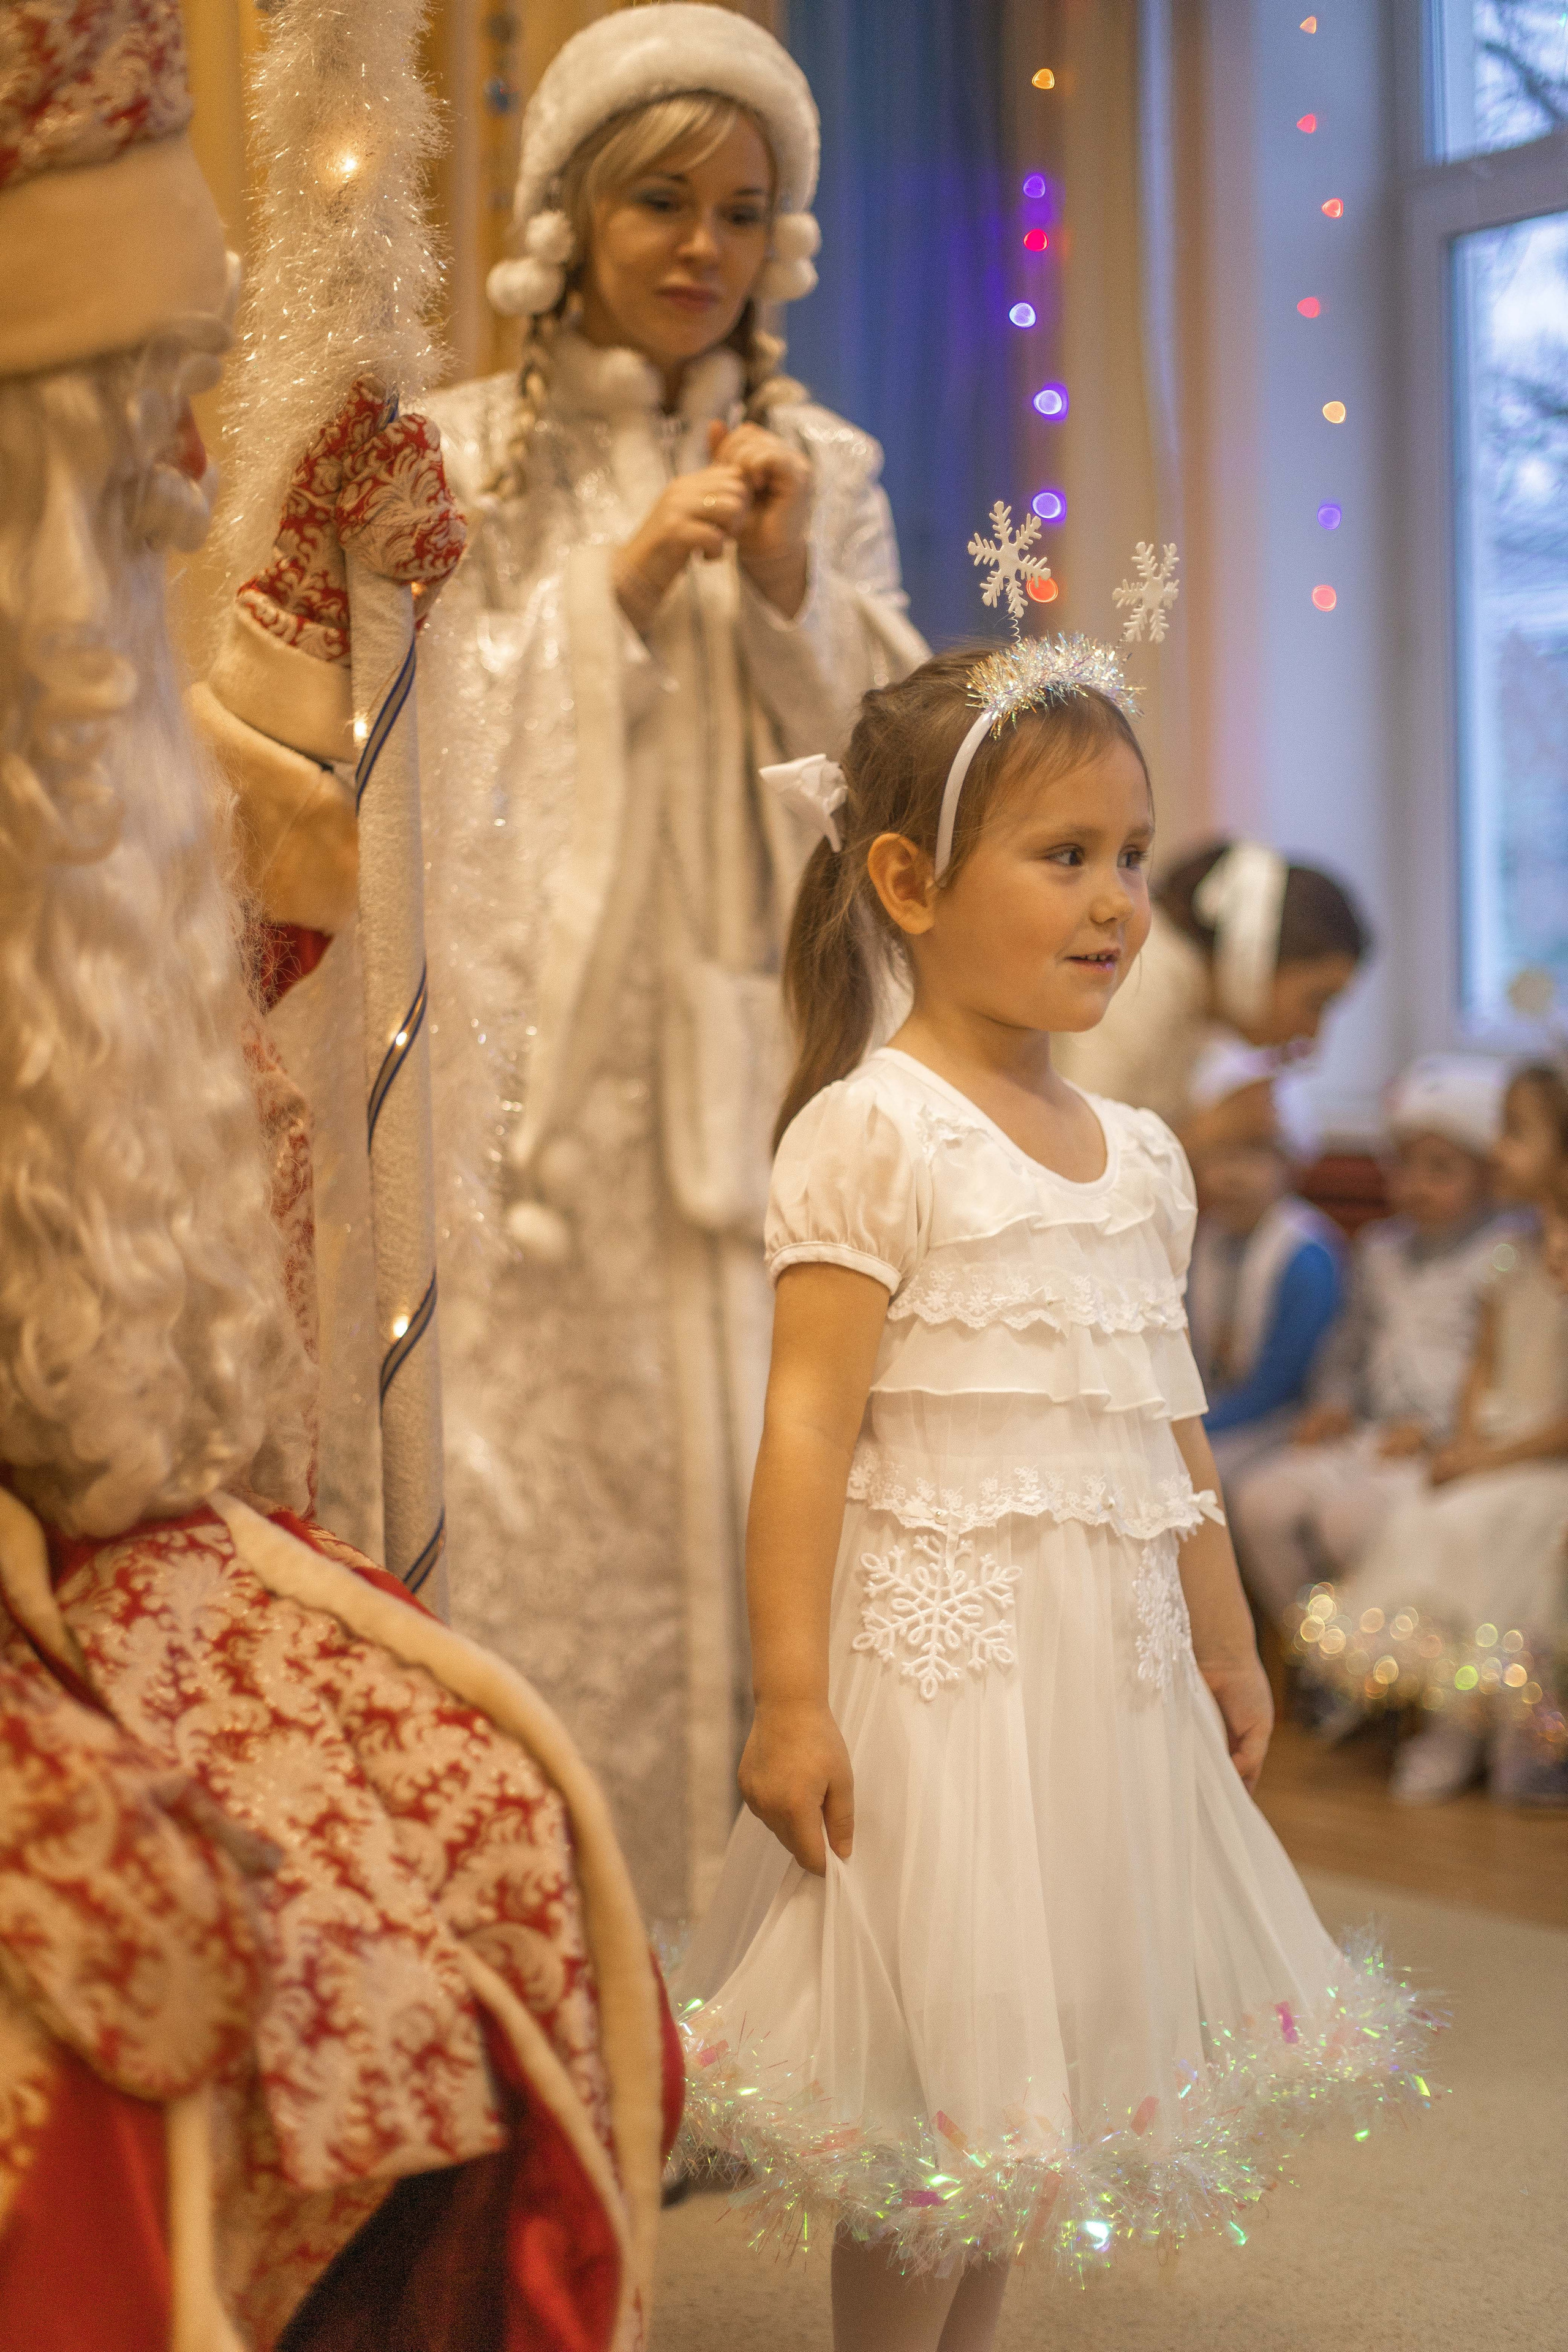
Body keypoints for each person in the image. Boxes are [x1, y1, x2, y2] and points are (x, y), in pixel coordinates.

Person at [0, 8, 671, 2343]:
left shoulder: (77, 728)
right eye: (134, 409)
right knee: (211, 1987)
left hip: (90, 1515)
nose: (188, 469)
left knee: (502, 1815)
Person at [203, 1, 927, 1926]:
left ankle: (759, 1964)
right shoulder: (467, 457)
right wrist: (604, 596)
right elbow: (419, 770)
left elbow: (900, 769)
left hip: (747, 1049)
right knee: (549, 1488)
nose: (699, 247)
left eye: (740, 211)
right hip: (538, 1083)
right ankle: (560, 1934)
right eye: (659, 203)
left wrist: (787, 594)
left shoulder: (824, 464)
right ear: (576, 216)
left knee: (756, 1481)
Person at [672, 644, 1434, 2350]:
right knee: (946, 2072)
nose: (1114, 903)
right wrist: (789, 1700)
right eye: (1064, 855)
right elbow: (804, 1432)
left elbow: (1169, 1432)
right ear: (910, 882)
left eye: (1133, 856)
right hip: (945, 1679)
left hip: (1103, 1675)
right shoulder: (875, 1133)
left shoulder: (1145, 1155)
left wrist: (1230, 1649)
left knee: (1035, 2075)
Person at [1294, 1065, 1568, 1803]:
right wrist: (1468, 1443)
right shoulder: (1512, 1251)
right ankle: (1455, 1725)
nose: (1498, 1148)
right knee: (1427, 1517)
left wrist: (1488, 1457)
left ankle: (1510, 1734)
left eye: (1514, 1134)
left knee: (1478, 1528)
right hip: (1496, 1449)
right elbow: (1483, 1362)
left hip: (1545, 1459)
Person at [1231, 1055, 1512, 1624]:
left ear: (1488, 1176)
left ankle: (1377, 1672)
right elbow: (1347, 1346)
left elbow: (1506, 1370)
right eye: (1404, 1168)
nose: (1415, 1187)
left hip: (1444, 1443)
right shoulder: (1381, 1250)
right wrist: (1332, 1403)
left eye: (1440, 1170)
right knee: (1260, 1504)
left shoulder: (1505, 1257)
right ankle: (1319, 1655)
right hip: (1367, 1433)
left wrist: (1442, 1431)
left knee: (1348, 1522)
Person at [1052, 838, 1373, 1153]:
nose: (1313, 1033)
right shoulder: (1143, 982)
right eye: (1316, 1001)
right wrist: (1205, 1133)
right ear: (1254, 958)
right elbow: (1070, 1155)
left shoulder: (1190, 1000)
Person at [1186, 1118, 1342, 1494]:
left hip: (1286, 1422)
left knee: (1187, 1481)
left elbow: (1277, 1385)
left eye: (1253, 1157)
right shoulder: (1200, 1242)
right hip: (1216, 1411)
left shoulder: (1307, 1257)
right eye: (1220, 1158)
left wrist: (1186, 1431)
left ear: (1290, 1166)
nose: (1233, 1175)